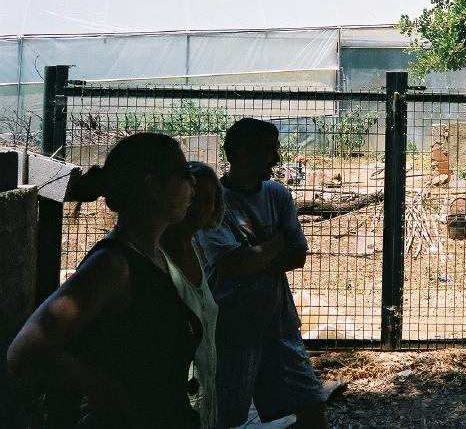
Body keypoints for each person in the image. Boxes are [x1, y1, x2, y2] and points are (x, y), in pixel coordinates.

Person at [7, 133, 201, 428]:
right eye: (185, 174)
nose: (194, 183)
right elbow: (25, 352)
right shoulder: (112, 266)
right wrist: (106, 389)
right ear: (153, 186)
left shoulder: (153, 257)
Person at [197, 118, 325, 429]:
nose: (276, 158)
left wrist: (253, 258)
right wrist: (276, 242)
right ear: (241, 153)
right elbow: (230, 264)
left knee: (311, 407)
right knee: (224, 417)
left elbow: (297, 256)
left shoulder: (277, 194)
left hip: (277, 324)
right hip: (230, 329)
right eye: (269, 150)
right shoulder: (214, 200)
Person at [162, 161, 224, 429]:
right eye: (193, 197)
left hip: (200, 398)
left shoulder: (196, 251)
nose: (200, 207)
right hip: (168, 404)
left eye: (209, 199)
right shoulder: (152, 256)